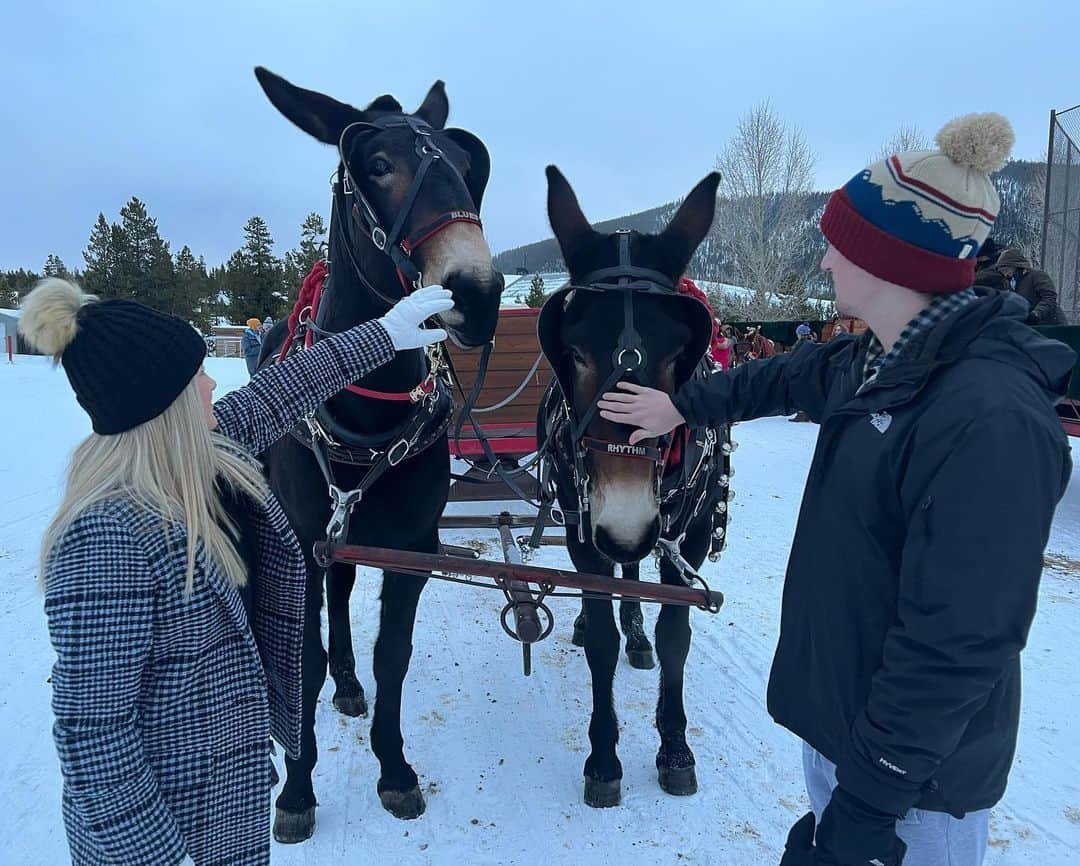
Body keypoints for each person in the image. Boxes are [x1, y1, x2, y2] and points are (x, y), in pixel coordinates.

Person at [597, 113, 1074, 866]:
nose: (823, 261)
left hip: (912, 791)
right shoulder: (879, 359)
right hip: (849, 739)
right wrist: (680, 406)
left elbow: (958, 642)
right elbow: (780, 374)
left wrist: (867, 806)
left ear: (891, 262)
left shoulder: (990, 420)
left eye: (838, 244)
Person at [18, 279, 452, 866]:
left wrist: (383, 336)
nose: (213, 382)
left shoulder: (195, 459)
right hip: (176, 831)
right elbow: (95, 739)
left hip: (228, 804)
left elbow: (276, 394)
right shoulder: (107, 539)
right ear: (162, 406)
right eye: (196, 375)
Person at [993, 248, 1067, 325]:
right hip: (1030, 325)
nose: (1005, 274)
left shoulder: (1036, 275)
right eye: (1002, 272)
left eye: (1006, 270)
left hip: (1051, 323)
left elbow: (1049, 297)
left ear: (1015, 266)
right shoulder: (1009, 282)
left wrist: (1036, 313)